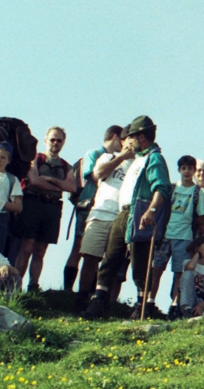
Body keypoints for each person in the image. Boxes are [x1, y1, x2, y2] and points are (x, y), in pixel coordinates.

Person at [81, 115, 172, 320]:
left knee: (140, 261)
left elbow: (161, 188)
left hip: (139, 212)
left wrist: (151, 211)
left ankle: (142, 306)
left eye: (131, 136)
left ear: (141, 137)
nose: (127, 141)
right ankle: (99, 301)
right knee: (111, 257)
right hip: (123, 213)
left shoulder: (154, 158)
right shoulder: (137, 158)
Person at [76, 127, 135, 307]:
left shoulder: (139, 164)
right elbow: (98, 174)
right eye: (129, 139)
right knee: (90, 258)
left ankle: (104, 303)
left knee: (113, 264)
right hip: (100, 214)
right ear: (122, 140)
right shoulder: (108, 157)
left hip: (122, 218)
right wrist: (121, 157)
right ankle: (81, 298)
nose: (132, 143)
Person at [15, 127, 76, 291]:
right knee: (26, 246)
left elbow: (72, 187)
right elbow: (34, 180)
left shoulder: (66, 166)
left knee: (41, 250)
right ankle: (15, 285)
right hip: (32, 203)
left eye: (59, 140)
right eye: (52, 139)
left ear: (63, 142)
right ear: (45, 140)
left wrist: (49, 179)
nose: (55, 143)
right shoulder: (35, 158)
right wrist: (59, 186)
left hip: (52, 207)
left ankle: (33, 285)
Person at [64, 125, 123, 292]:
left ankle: (90, 291)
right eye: (122, 139)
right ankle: (68, 289)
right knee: (79, 246)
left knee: (96, 253)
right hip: (88, 205)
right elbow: (94, 176)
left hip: (102, 207)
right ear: (115, 136)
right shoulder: (94, 153)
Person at [150, 155, 204, 319]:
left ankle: (175, 305)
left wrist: (195, 225)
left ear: (194, 170)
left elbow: (201, 216)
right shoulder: (172, 188)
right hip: (165, 235)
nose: (187, 171)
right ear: (179, 170)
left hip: (184, 236)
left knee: (179, 273)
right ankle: (149, 302)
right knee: (156, 269)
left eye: (190, 168)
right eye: (183, 168)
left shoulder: (197, 192)